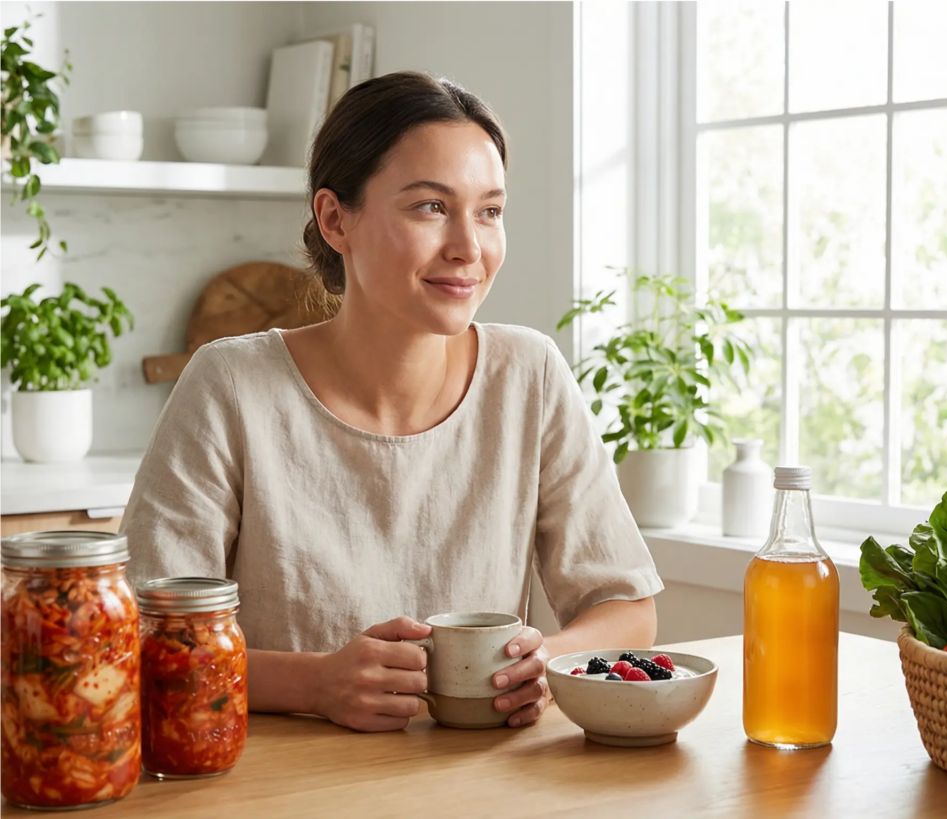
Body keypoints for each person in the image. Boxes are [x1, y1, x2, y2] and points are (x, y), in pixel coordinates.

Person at [122, 70, 663, 733]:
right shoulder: (231, 384)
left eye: (489, 210)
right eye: (431, 207)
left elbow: (628, 606)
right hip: (276, 782)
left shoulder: (529, 374)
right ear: (334, 219)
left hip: (477, 783)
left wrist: (546, 659)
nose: (469, 248)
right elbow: (149, 636)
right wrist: (316, 682)